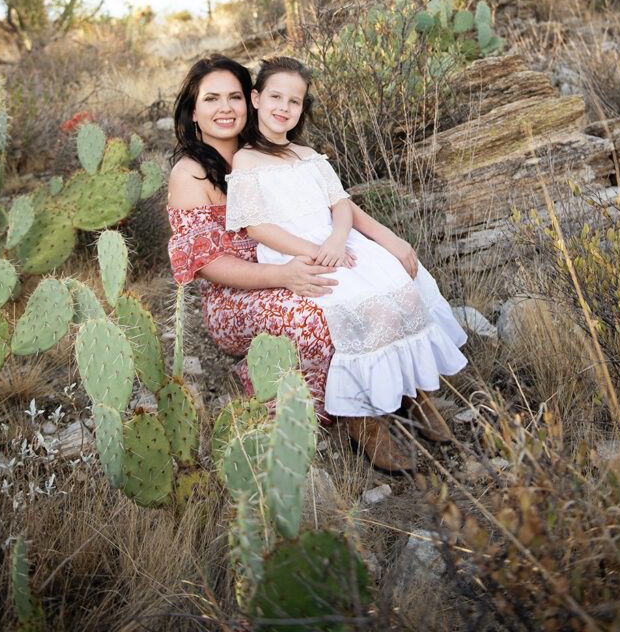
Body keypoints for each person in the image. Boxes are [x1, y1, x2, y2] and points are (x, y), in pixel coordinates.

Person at [167, 53, 463, 472]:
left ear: (249, 101)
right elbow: (207, 264)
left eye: (233, 96)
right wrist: (283, 274)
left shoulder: (269, 147)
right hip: (241, 291)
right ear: (193, 111)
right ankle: (359, 419)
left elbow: (332, 205)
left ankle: (409, 392)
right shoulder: (192, 172)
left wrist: (392, 240)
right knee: (322, 313)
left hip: (302, 259)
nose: (225, 108)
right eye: (211, 99)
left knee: (393, 279)